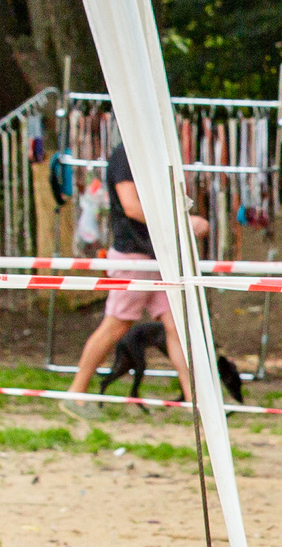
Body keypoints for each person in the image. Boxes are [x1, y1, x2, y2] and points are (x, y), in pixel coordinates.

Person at [64, 135, 206, 410]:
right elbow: (131, 206)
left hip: (159, 256)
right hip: (133, 255)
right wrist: (183, 222)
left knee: (176, 327)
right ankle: (76, 391)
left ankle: (195, 401)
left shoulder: (152, 156)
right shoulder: (125, 155)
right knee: (116, 324)